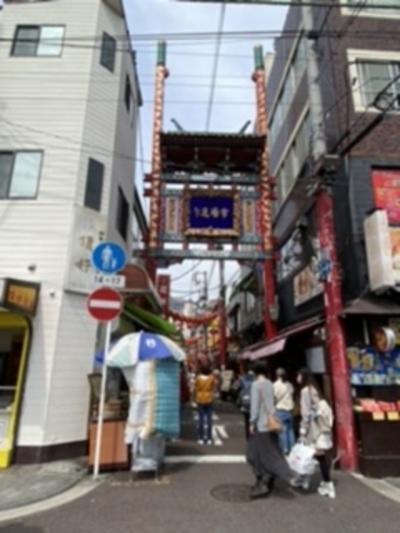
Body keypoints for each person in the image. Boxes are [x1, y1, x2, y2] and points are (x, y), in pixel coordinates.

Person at [246, 361, 293, 499]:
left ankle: (265, 481)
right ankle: (268, 479)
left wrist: (251, 422)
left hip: (261, 424)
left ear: (255, 372)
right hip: (271, 423)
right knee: (269, 452)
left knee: (255, 454)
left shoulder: (256, 385)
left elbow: (254, 407)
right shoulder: (269, 384)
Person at [295, 368, 335, 499]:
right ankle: (305, 479)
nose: (297, 378)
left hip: (313, 430)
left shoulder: (305, 391)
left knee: (312, 455)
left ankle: (327, 484)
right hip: (321, 429)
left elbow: (305, 413)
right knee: (312, 455)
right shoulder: (314, 389)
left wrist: (302, 430)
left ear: (303, 376)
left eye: (299, 375)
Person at [273, 368, 295, 455]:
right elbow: (292, 393)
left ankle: (284, 448)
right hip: (290, 410)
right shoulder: (289, 385)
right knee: (290, 430)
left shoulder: (275, 385)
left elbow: (274, 397)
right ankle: (292, 448)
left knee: (282, 430)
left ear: (277, 375)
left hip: (280, 409)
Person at [194, 365, 216, 445]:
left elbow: (196, 388)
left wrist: (194, 397)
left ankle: (201, 438)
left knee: (201, 419)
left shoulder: (198, 378)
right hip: (209, 398)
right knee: (209, 419)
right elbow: (213, 388)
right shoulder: (211, 378)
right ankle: (209, 438)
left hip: (200, 398)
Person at [238, 364, 255, 440]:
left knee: (247, 419)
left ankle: (248, 436)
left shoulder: (243, 378)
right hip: (254, 401)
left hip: (245, 402)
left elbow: (237, 388)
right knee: (255, 419)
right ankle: (253, 434)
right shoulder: (256, 378)